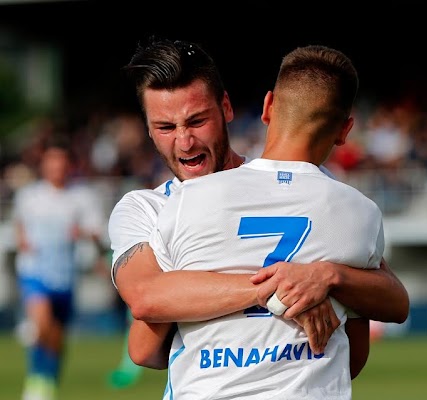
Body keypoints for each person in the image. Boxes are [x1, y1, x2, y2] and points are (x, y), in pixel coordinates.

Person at [109, 36, 408, 366]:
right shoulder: (144, 208)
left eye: (197, 121)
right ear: (148, 130)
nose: (185, 141)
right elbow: (146, 299)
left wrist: (327, 276)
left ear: (226, 107)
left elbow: (390, 297)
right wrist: (285, 288)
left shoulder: (308, 186)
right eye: (165, 127)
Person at [12, 136, 106, 400]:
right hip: (34, 272)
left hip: (65, 276)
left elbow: (97, 232)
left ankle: (47, 382)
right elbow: (20, 222)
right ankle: (34, 379)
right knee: (41, 322)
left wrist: (84, 234)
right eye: (51, 162)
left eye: (61, 163)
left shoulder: (81, 197)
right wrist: (23, 241)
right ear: (43, 165)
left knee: (55, 336)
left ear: (69, 166)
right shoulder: (29, 195)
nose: (56, 168)